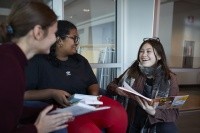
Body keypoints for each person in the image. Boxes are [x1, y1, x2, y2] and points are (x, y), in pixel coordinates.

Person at [24, 20, 128, 133]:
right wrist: (52, 93)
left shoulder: (80, 60)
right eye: (74, 38)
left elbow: (92, 82)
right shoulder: (39, 61)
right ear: (59, 40)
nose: (77, 42)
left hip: (87, 105)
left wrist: (94, 95)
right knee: (87, 129)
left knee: (118, 112)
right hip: (63, 110)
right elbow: (23, 94)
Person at [0, 1, 73, 133]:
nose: (55, 39)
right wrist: (37, 129)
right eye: (54, 33)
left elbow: (11, 110)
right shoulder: (7, 66)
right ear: (38, 32)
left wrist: (53, 111)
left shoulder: (12, 58)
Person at [106, 37, 179, 133]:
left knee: (169, 128)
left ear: (160, 56)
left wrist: (154, 112)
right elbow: (111, 85)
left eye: (148, 51)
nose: (144, 55)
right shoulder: (132, 71)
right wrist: (117, 89)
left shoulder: (169, 78)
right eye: (141, 51)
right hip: (132, 119)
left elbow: (174, 112)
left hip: (153, 122)